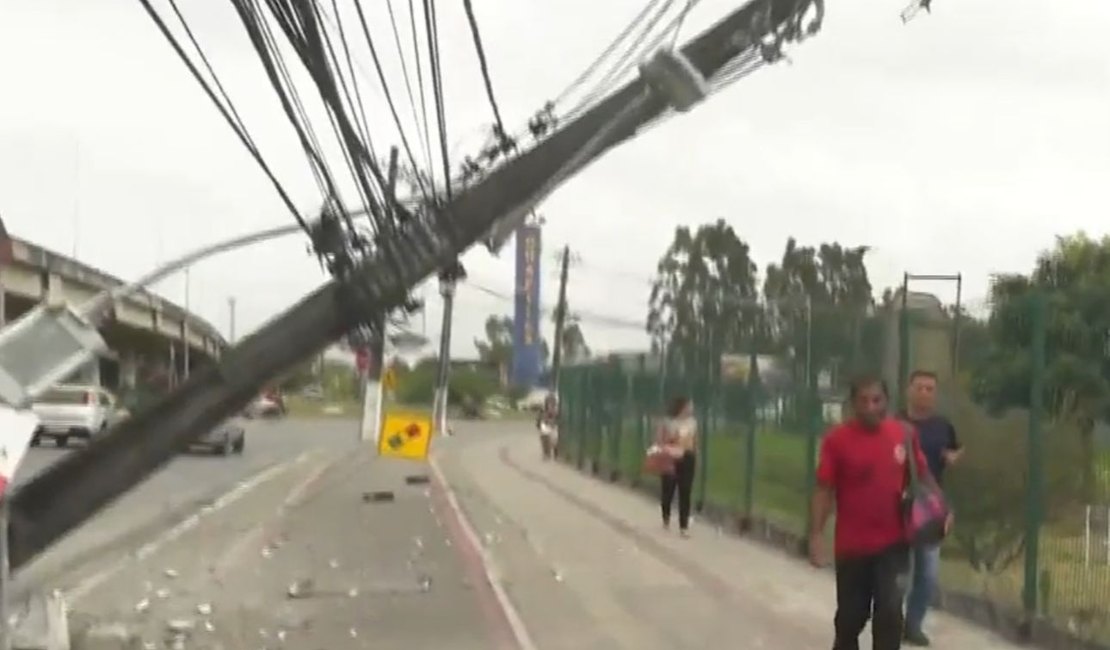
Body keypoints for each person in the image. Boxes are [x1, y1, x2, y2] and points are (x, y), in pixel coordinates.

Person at [808, 375, 944, 650]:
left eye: (877, 400)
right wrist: (816, 535)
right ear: (853, 404)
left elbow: (923, 474)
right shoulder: (837, 441)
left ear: (887, 401)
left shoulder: (904, 434)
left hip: (894, 544)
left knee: (891, 613)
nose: (870, 407)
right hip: (852, 547)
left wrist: (941, 508)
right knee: (850, 618)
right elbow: (824, 490)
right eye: (863, 401)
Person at [901, 370, 962, 647]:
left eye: (930, 389)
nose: (925, 393)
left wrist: (953, 457)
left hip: (930, 510)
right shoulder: (894, 423)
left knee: (927, 575)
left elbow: (955, 451)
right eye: (920, 387)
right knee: (898, 575)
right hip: (897, 507)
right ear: (909, 390)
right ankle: (890, 621)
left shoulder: (943, 426)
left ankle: (912, 625)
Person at [656, 396, 697, 537]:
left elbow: (694, 440)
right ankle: (666, 516)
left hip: (687, 457)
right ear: (681, 407)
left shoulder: (692, 423)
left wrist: (693, 451)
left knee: (685, 491)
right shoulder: (668, 422)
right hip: (671, 456)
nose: (691, 409)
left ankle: (683, 526)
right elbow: (661, 440)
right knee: (668, 489)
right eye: (689, 406)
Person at [536, 394, 559, 460]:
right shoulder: (543, 410)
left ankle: (556, 453)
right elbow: (539, 420)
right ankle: (546, 453)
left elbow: (559, 420)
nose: (550, 404)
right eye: (549, 402)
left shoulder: (557, 410)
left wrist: (554, 421)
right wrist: (541, 423)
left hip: (555, 427)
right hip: (546, 426)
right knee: (544, 432)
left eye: (552, 402)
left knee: (555, 439)